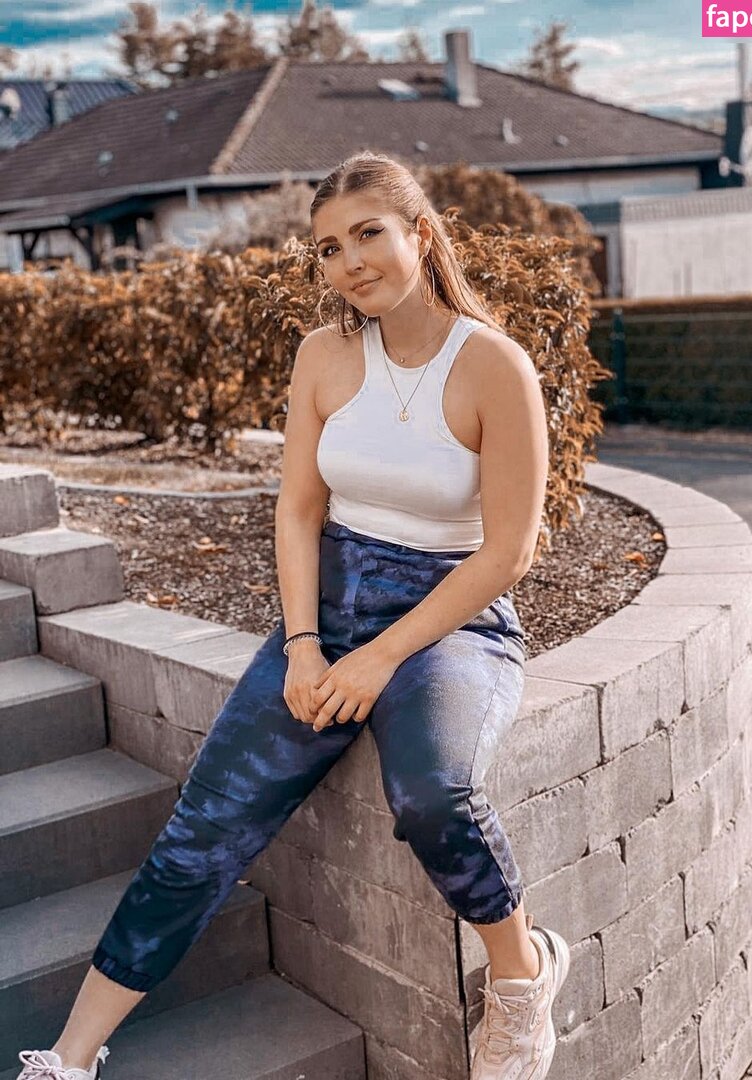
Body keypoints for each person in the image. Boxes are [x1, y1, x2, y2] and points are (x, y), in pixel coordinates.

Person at [15, 150, 570, 1080]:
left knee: (432, 793)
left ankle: (522, 974)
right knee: (205, 827)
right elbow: (299, 510)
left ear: (420, 234)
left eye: (368, 235)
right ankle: (70, 1057)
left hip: (452, 619)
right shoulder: (322, 355)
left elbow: (508, 554)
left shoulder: (494, 366)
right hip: (331, 606)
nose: (349, 263)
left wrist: (379, 660)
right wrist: (306, 647)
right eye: (328, 249)